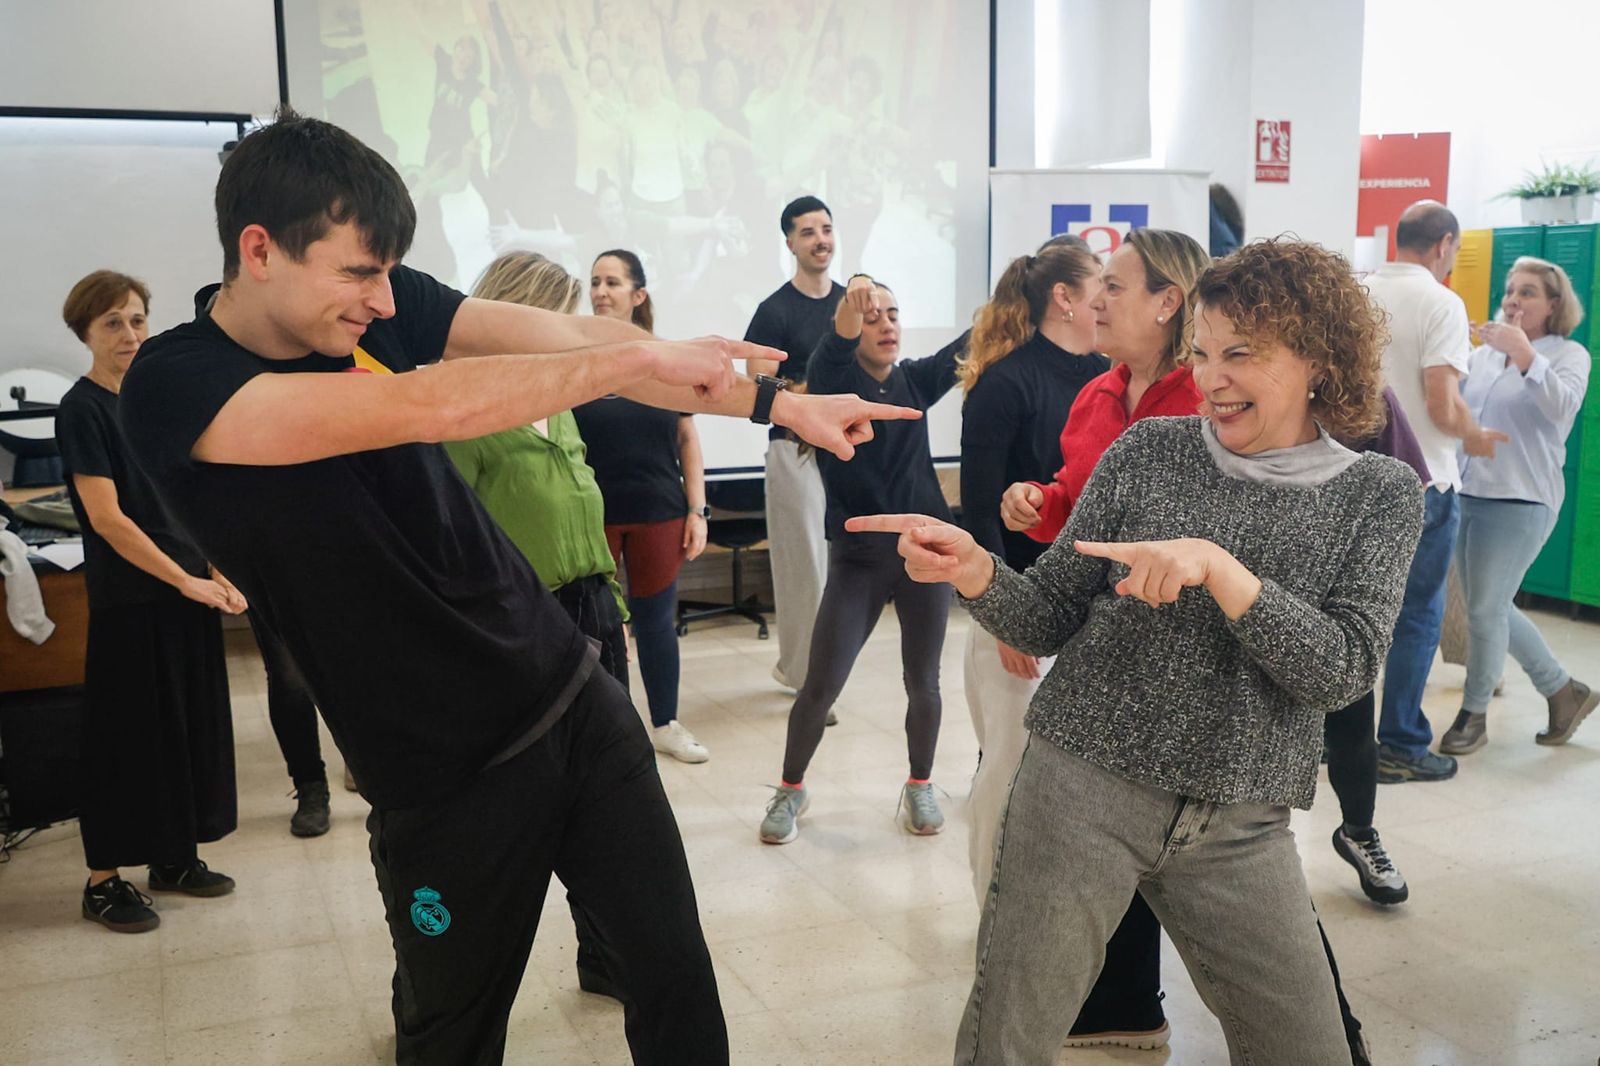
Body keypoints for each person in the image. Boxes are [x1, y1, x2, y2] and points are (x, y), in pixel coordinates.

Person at [116, 110, 913, 1065]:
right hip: (437, 769)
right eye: (357, 273)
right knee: (452, 1034)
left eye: (387, 273)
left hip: (569, 690)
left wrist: (780, 404)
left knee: (672, 976)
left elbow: (563, 333)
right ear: (259, 250)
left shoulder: (380, 306)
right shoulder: (174, 383)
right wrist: (634, 353)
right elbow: (420, 404)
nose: (381, 299)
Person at [854, 239, 1424, 1065]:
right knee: (1007, 1039)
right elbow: (1049, 614)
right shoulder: (1150, 452)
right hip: (1079, 790)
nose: (1212, 379)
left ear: (1318, 360)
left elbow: (1342, 672)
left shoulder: (1379, 494)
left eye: (1240, 354)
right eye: (1202, 353)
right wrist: (977, 570)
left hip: (1241, 822)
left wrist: (1225, 573)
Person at [997, 228, 1210, 1048]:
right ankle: (1124, 1001)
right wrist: (1036, 503)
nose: (1097, 300)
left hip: (1182, 650)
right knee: (1108, 823)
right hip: (1102, 637)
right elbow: (1076, 503)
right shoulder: (1096, 395)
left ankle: (1326, 1029)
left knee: (1194, 847)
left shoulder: (1209, 398)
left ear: (1167, 302)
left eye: (1114, 286)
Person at [445, 250, 632, 1002]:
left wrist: (610, 605)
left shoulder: (559, 399)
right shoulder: (465, 407)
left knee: (612, 796)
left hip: (594, 607)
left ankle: (605, 957)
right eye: (555, 316)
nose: (566, 332)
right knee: (527, 805)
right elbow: (453, 541)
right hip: (526, 623)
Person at [56, 271, 243, 934]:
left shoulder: (153, 400)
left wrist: (215, 567)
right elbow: (108, 519)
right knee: (127, 737)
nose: (130, 334)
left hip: (189, 588)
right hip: (133, 598)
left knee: (184, 731)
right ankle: (102, 880)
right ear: (85, 332)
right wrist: (183, 580)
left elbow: (189, 492)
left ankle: (172, 856)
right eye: (113, 322)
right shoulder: (81, 409)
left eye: (137, 319)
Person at [760, 274, 960, 844]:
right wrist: (857, 297)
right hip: (859, 560)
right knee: (820, 685)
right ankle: (790, 788)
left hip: (923, 554)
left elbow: (972, 343)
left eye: (893, 314)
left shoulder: (915, 379)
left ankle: (920, 784)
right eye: (874, 317)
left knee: (924, 683)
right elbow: (836, 341)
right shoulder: (834, 383)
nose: (886, 324)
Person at [956, 243, 1109, 903]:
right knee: (1009, 775)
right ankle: (997, 916)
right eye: (1102, 283)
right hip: (1018, 611)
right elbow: (978, 515)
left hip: (1093, 610)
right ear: (1064, 298)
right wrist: (1005, 619)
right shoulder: (1005, 384)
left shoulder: (1110, 379)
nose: (1110, 297)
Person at [1364, 201, 1505, 784]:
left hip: (1355, 477)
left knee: (1350, 612)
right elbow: (1442, 406)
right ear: (1445, 245)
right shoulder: (1441, 302)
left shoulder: (1359, 293)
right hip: (1422, 481)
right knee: (1417, 615)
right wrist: (1475, 434)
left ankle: (1335, 737)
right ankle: (1400, 742)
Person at [1444, 256, 1597, 754]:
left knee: (1486, 610)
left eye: (1527, 292)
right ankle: (1562, 691)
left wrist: (1526, 354)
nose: (1513, 300)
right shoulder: (1486, 356)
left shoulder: (1569, 354)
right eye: (1510, 291)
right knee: (1489, 609)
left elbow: (1562, 407)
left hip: (1522, 499)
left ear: (1553, 305)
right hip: (1469, 491)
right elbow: (1457, 411)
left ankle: (1473, 715)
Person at [574, 248, 710, 763]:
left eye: (612, 282)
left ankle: (665, 724)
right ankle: (610, 732)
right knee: (599, 628)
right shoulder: (574, 356)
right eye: (595, 282)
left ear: (638, 294)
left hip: (659, 510)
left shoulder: (665, 358)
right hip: (594, 515)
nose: (600, 291)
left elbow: (687, 438)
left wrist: (698, 511)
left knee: (655, 623)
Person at [744, 196, 845, 693]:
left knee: (842, 569)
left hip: (848, 454)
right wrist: (811, 394)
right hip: (795, 452)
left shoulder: (851, 306)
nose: (820, 240)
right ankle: (808, 680)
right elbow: (757, 386)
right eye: (808, 232)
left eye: (825, 229)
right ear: (790, 243)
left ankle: (822, 672)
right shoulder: (774, 311)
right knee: (806, 571)